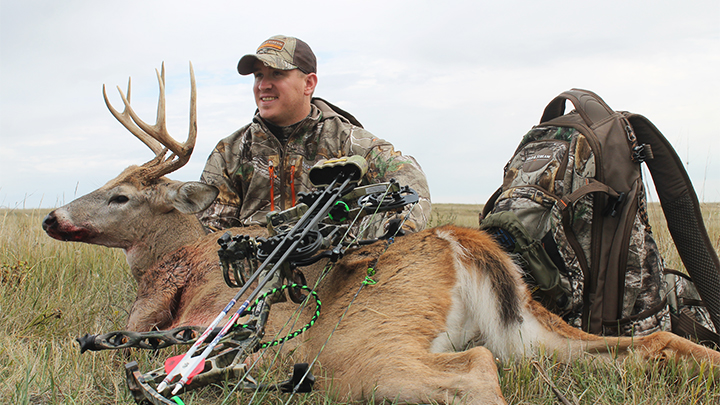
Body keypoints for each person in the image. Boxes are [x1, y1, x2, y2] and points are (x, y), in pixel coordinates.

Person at [199, 35, 431, 239]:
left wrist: (370, 235)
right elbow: (211, 231)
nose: (263, 85)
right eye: (259, 75)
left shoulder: (346, 140)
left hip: (332, 273)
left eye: (276, 74)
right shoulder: (229, 151)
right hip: (250, 276)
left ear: (308, 84)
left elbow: (410, 182)